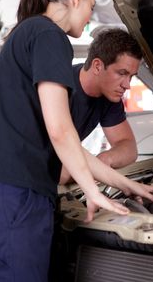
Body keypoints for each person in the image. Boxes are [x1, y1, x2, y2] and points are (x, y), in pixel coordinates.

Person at [0, 0, 153, 282]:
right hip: (12, 197)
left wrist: (126, 184)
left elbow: (67, 145)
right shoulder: (48, 35)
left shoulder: (29, 32)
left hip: (3, 195)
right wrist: (91, 191)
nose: (90, 17)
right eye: (91, 7)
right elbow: (60, 130)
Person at [59, 28, 141, 185]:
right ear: (97, 66)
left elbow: (129, 147)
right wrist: (96, 169)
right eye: (122, 73)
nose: (127, 85)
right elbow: (57, 169)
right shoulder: (59, 89)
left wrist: (106, 158)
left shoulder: (109, 95)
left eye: (131, 76)